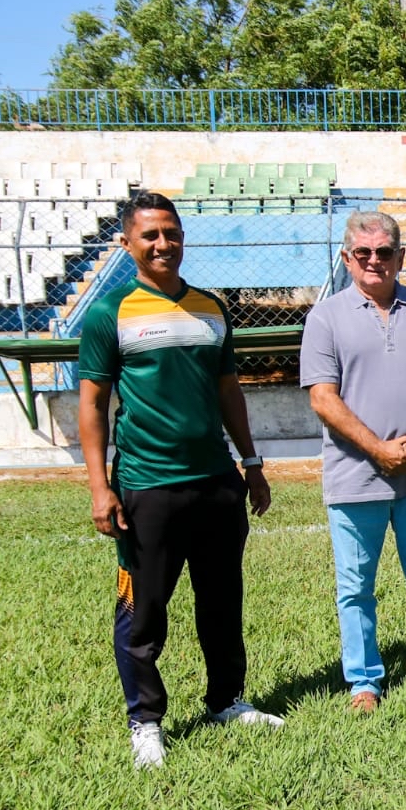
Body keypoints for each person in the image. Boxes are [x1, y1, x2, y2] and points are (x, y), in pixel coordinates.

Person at [76, 192, 281, 769]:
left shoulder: (210, 307)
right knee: (142, 609)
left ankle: (226, 700)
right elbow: (92, 405)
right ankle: (145, 720)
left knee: (221, 600)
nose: (162, 244)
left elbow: (227, 391)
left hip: (216, 482)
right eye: (149, 235)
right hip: (147, 485)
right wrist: (99, 486)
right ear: (127, 244)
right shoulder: (109, 311)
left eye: (171, 233)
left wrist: (251, 463)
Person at [299, 211, 406, 713]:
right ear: (348, 258)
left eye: (385, 251)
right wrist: (377, 448)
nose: (375, 261)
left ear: (400, 255)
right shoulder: (326, 317)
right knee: (355, 588)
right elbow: (322, 398)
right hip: (354, 477)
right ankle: (364, 682)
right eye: (363, 253)